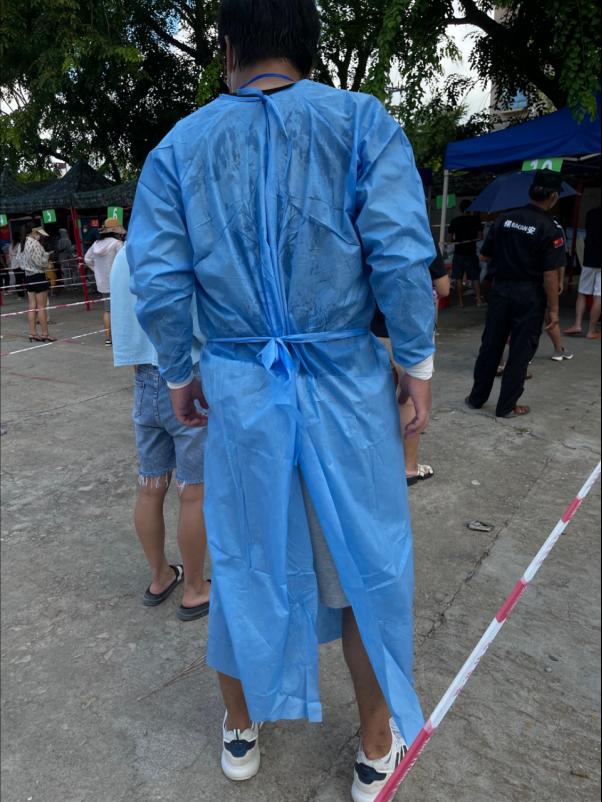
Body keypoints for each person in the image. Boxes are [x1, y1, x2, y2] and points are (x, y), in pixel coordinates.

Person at [127, 1, 436, 799]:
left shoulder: (179, 147)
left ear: (228, 47)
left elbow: (158, 279)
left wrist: (179, 372)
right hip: (346, 384)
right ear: (309, 48)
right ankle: (374, 743)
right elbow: (401, 254)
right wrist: (416, 360)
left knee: (243, 559)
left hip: (240, 387)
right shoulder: (361, 123)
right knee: (368, 564)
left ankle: (240, 727)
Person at [110, 247, 212, 621]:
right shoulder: (178, 247)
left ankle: (160, 576)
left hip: (143, 378)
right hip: (187, 374)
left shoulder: (124, 254)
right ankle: (195, 588)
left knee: (151, 485)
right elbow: (198, 322)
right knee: (193, 491)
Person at [466, 170, 565, 418]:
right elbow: (550, 275)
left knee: (491, 346)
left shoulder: (504, 219)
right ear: (553, 196)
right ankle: (506, 406)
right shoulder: (550, 228)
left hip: (500, 290)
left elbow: (484, 255)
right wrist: (553, 310)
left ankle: (476, 398)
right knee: (520, 351)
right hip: (529, 295)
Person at [371, 242, 450, 484]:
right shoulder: (422, 237)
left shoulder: (363, 231)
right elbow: (444, 289)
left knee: (378, 394)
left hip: (371, 327)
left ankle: (377, 461)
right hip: (412, 330)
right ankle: (409, 467)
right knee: (408, 399)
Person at [84, 218, 125, 346]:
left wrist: (97, 270)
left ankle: (108, 338)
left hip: (103, 283)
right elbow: (124, 262)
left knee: (107, 310)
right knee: (120, 310)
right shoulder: (117, 244)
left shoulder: (96, 244)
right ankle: (120, 337)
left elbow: (87, 259)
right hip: (118, 282)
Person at [564, 205, 601, 340]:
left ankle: (577, 324)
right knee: (599, 296)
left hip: (589, 258)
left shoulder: (591, 213)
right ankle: (591, 330)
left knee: (582, 293)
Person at [18, 225, 56, 342]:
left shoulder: (22, 243)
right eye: (39, 233)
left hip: (28, 276)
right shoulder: (35, 244)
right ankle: (45, 334)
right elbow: (40, 262)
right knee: (41, 307)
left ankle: (32, 333)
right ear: (34, 232)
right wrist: (47, 256)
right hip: (38, 276)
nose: (40, 236)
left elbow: (19, 260)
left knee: (31, 306)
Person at [448, 199, 484, 308]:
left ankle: (460, 302)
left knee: (458, 278)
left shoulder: (455, 221)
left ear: (460, 209)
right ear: (471, 209)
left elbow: (450, 239)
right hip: (471, 253)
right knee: (475, 277)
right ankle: (478, 300)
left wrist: (459, 240)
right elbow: (480, 237)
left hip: (458, 253)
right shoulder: (476, 220)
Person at [7, 230, 26, 297]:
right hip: (20, 265)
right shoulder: (20, 245)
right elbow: (22, 255)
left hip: (14, 265)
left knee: (18, 280)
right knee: (25, 278)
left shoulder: (11, 245)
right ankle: (28, 292)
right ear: (19, 237)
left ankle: (20, 294)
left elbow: (10, 256)